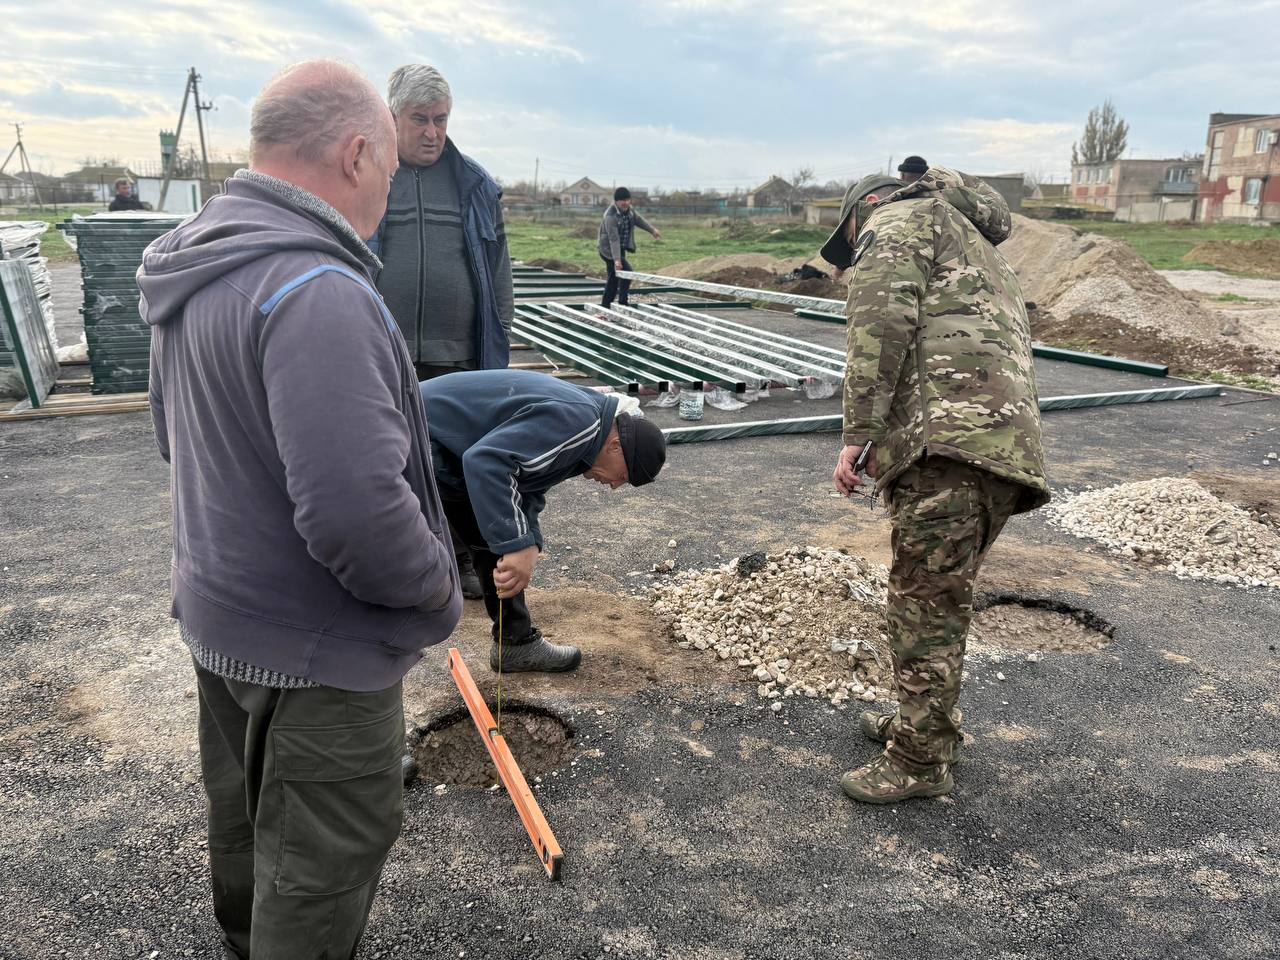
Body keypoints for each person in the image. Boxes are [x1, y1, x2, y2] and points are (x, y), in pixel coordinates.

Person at [139, 59, 462, 959]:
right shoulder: (318, 292)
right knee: (320, 862)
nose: (390, 196)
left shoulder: (197, 263)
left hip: (221, 617)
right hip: (317, 655)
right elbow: (356, 513)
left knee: (248, 822)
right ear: (357, 153)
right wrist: (438, 595)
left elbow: (174, 438)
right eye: (393, 172)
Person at [820, 166, 1049, 805]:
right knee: (938, 598)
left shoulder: (895, 221)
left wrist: (858, 433)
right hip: (998, 446)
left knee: (924, 607)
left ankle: (919, 761)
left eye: (850, 233)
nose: (854, 247)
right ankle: (925, 726)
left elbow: (879, 327)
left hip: (947, 445)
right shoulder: (970, 239)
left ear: (865, 206)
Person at [372, 62, 515, 601]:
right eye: (420, 120)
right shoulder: (369, 176)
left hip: (458, 355)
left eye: (441, 119)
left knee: (460, 462)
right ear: (393, 118)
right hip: (386, 353)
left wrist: (499, 335)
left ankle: (469, 561)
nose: (433, 132)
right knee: (391, 459)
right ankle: (409, 562)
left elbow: (499, 271)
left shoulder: (474, 185)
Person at [420, 370, 668, 673]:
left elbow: (528, 484)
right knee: (404, 544)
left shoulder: (588, 441)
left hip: (443, 447)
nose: (616, 485)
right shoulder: (580, 425)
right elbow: (487, 462)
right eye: (623, 476)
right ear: (615, 446)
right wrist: (516, 545)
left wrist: (528, 542)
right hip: (416, 432)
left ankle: (514, 645)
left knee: (497, 538)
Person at [597, 186, 661, 308]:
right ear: (616, 201)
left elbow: (639, 220)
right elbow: (613, 239)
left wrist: (652, 230)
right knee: (626, 273)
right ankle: (621, 302)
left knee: (615, 278)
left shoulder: (630, 211)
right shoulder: (610, 216)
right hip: (608, 250)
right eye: (623, 201)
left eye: (627, 200)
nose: (626, 203)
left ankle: (607, 306)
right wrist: (616, 260)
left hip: (620, 249)